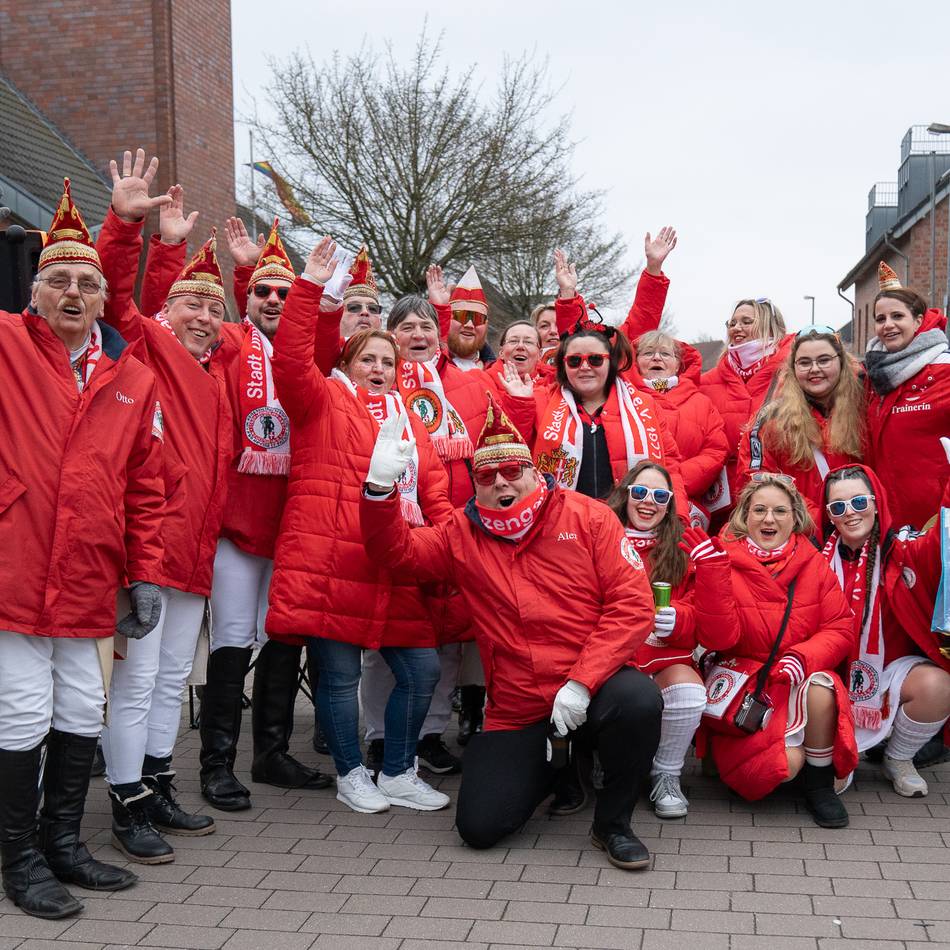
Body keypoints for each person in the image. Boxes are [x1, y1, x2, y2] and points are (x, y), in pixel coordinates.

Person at [360, 395, 664, 870]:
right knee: (479, 828)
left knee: (641, 700)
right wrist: (379, 489)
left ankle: (613, 824)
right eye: (486, 475)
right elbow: (395, 554)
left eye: (511, 470)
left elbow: (632, 606)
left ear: (532, 470)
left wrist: (582, 682)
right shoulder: (461, 532)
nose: (501, 482)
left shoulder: (589, 517)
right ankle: (554, 769)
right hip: (519, 704)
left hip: (595, 685)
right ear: (476, 485)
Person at [0, 179, 165, 918]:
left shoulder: (132, 377)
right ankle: (19, 858)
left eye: (88, 283)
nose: (74, 292)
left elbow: (145, 488)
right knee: (21, 712)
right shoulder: (4, 345)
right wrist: (118, 224)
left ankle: (63, 843)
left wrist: (147, 575)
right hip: (14, 567)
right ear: (33, 291)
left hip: (91, 575)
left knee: (80, 709)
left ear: (104, 299)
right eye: (58, 280)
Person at [267, 236, 455, 814]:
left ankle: (398, 769)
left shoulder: (410, 422)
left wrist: (444, 547)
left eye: (388, 362)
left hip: (393, 566)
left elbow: (437, 492)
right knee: (340, 677)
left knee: (421, 669)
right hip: (332, 562)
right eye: (367, 359)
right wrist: (309, 289)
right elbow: (290, 361)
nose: (378, 368)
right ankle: (352, 773)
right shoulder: (321, 400)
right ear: (348, 364)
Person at [96, 151, 233, 861]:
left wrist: (181, 252)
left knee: (174, 676)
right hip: (150, 547)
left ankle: (155, 778)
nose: (206, 317)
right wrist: (131, 226)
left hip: (195, 553)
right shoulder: (142, 344)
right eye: (193, 303)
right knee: (139, 678)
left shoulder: (219, 374)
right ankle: (125, 798)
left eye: (215, 307)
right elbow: (116, 294)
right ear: (166, 307)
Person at [693, 474, 858, 828]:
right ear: (745, 516)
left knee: (822, 685)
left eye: (780, 511)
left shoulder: (813, 563)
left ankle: (819, 783)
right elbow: (719, 640)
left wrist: (804, 656)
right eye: (760, 510)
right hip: (748, 688)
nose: (769, 519)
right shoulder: (723, 557)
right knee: (781, 768)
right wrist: (710, 576)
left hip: (796, 677)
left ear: (794, 517)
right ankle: (794, 761)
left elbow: (840, 627)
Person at [605, 463, 733, 818]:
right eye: (640, 492)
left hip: (664, 655)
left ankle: (666, 774)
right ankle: (611, 762)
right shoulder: (601, 535)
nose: (649, 502)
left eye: (660, 496)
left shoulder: (682, 546)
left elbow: (704, 620)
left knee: (690, 694)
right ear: (626, 494)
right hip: (614, 655)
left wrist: (678, 618)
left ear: (669, 503)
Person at [822, 464, 950, 796]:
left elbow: (943, 539)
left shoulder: (906, 553)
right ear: (830, 516)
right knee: (833, 781)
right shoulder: (815, 561)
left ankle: (899, 758)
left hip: (891, 673)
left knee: (937, 686)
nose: (850, 513)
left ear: (877, 503)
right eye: (838, 507)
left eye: (859, 502)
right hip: (832, 676)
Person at [532, 252, 685, 504]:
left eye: (595, 360)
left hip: (625, 525)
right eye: (574, 361)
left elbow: (671, 472)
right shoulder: (539, 401)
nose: (584, 367)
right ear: (562, 365)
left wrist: (678, 519)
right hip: (561, 527)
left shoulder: (645, 407)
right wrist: (567, 295)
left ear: (610, 362)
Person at [737, 326, 865, 524]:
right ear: (793, 368)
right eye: (804, 362)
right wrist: (823, 519)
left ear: (841, 362)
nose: (814, 369)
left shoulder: (865, 409)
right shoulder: (770, 420)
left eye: (824, 360)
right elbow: (756, 482)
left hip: (861, 529)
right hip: (803, 534)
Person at [864, 262, 950, 528]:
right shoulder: (872, 377)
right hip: (887, 519)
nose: (888, 325)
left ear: (918, 321)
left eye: (897, 316)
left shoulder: (945, 371)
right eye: (881, 319)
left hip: (937, 520)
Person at [700, 298, 793, 517]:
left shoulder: (793, 377)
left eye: (746, 321)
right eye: (732, 323)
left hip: (775, 502)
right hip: (721, 505)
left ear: (771, 326)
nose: (737, 328)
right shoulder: (706, 382)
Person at [631, 331, 728, 526]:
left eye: (665, 354)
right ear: (636, 361)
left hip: (684, 506)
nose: (656, 357)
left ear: (678, 364)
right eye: (648, 353)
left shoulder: (701, 403)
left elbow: (716, 450)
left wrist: (673, 481)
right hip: (631, 503)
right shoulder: (622, 397)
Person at [445, 265, 490, 371]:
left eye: (478, 318)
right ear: (446, 319)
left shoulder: (499, 373)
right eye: (461, 316)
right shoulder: (430, 364)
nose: (469, 325)